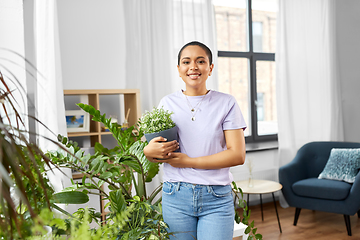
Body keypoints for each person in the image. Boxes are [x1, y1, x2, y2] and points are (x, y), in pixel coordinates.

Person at [143, 41, 246, 240]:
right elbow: (157, 147)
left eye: (201, 61)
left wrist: (188, 161)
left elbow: (237, 155)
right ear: (179, 69)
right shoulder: (167, 103)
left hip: (215, 197)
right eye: (186, 61)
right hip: (176, 196)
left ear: (210, 68)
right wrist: (149, 152)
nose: (193, 67)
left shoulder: (226, 103)